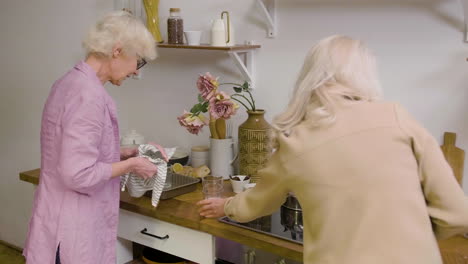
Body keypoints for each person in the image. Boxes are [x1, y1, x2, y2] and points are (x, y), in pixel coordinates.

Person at [198, 35, 468, 264]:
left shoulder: (296, 141)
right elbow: (457, 214)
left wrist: (227, 205)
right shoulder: (397, 116)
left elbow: (258, 202)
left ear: (310, 76)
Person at [23, 11, 165, 264]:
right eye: (139, 61)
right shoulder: (89, 97)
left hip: (56, 218)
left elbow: (70, 148)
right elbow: (78, 174)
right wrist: (131, 165)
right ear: (118, 51)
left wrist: (125, 152)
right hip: (73, 230)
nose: (135, 71)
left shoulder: (68, 82)